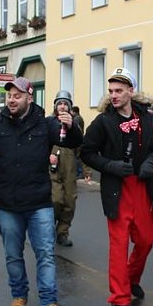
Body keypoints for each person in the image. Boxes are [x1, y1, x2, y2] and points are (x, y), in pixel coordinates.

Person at [0, 77, 81, 306]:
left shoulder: (45, 124)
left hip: (39, 201)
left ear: (29, 97)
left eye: (17, 96)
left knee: (46, 253)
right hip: (8, 202)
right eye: (9, 96)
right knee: (13, 254)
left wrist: (71, 127)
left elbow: (71, 141)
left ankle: (49, 302)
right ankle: (19, 296)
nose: (11, 100)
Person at [81, 67, 153, 306]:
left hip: (143, 187)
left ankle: (131, 278)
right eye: (111, 91)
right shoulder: (103, 122)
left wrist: (152, 161)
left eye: (119, 90)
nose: (114, 95)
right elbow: (87, 152)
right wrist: (110, 165)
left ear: (131, 91)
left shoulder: (150, 119)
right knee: (118, 245)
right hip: (117, 189)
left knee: (146, 240)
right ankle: (119, 298)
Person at [49, 90, 89, 247]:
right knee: (56, 200)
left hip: (70, 168)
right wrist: (47, 156)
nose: (63, 106)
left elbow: (82, 149)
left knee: (70, 202)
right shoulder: (49, 122)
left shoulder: (75, 126)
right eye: (60, 103)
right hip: (53, 168)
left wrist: (87, 172)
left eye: (66, 104)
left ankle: (62, 233)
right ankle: (49, 229)